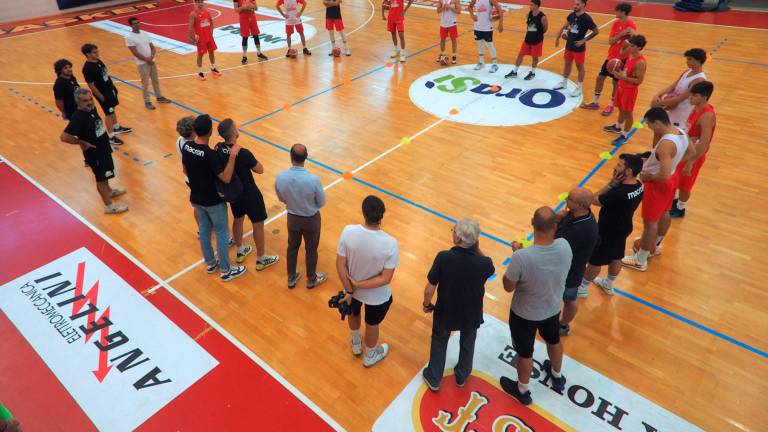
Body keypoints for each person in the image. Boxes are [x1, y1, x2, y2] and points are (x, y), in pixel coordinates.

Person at [500, 207, 572, 405]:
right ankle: (557, 376)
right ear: (555, 225)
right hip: (552, 308)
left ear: (533, 224)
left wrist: (517, 255)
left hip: (524, 314)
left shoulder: (522, 258)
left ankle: (522, 390)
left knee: (525, 352)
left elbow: (508, 287)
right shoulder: (565, 245)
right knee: (554, 340)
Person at [421, 218, 494, 391]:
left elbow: (430, 287)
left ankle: (434, 377)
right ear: (476, 241)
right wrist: (475, 246)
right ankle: (462, 376)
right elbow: (490, 269)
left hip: (446, 312)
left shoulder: (443, 257)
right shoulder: (484, 263)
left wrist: (426, 304)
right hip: (471, 313)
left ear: (457, 239)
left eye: (453, 230)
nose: (452, 232)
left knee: (439, 341)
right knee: (468, 343)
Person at [622, 108, 694, 272]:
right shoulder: (680, 131)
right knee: (664, 212)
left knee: (650, 221)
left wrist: (648, 178)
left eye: (650, 125)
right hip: (672, 180)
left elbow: (664, 175)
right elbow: (692, 151)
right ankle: (654, 245)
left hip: (659, 184)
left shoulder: (665, 144)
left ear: (657, 122)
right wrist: (674, 163)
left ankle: (641, 259)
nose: (650, 129)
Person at [181, 114, 246, 281]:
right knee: (221, 232)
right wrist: (232, 156)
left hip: (196, 198)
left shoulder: (186, 147)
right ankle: (226, 270)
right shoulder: (209, 154)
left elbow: (185, 170)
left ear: (195, 130)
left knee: (204, 229)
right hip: (213, 201)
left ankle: (210, 263)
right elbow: (225, 177)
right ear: (210, 132)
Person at [336, 195, 399, 368]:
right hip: (377, 297)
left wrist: (351, 290)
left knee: (353, 313)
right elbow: (385, 278)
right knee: (372, 324)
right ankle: (370, 354)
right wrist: (359, 285)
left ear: (363, 212)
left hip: (352, 292)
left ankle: (356, 342)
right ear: (382, 216)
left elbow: (340, 265)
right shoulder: (390, 243)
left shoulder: (348, 231)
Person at [216, 119, 279, 270]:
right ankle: (261, 258)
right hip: (250, 194)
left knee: (238, 219)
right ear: (233, 133)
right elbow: (260, 169)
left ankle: (240, 249)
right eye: (235, 127)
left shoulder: (218, 147)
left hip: (234, 194)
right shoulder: (243, 153)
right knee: (257, 224)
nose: (238, 128)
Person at [582, 154, 643, 295]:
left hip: (608, 230)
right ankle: (608, 284)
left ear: (628, 171)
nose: (616, 167)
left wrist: (610, 184)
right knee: (617, 256)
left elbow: (592, 199)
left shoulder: (618, 193)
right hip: (624, 227)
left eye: (620, 165)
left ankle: (582, 287)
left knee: (596, 260)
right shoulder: (639, 186)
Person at [60, 88, 128, 214]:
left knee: (106, 173)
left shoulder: (91, 109)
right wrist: (80, 142)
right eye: (85, 101)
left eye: (91, 99)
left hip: (103, 148)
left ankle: (109, 191)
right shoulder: (77, 118)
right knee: (101, 179)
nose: (90, 102)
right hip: (95, 153)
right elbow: (64, 137)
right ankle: (109, 206)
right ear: (78, 102)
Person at [274, 144, 327, 288]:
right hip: (311, 219)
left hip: (292, 218)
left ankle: (291, 278)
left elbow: (281, 198)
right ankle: (311, 279)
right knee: (311, 249)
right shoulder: (313, 180)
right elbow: (322, 202)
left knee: (292, 247)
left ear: (291, 157)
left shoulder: (280, 177)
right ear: (306, 157)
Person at [555, 188, 598, 336]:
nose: (566, 199)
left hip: (570, 271)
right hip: (567, 267)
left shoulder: (581, 229)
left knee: (569, 299)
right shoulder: (580, 214)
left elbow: (557, 247)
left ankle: (563, 325)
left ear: (580, 205)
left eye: (569, 199)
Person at [580, 2, 636, 114]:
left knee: (616, 83)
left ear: (623, 12)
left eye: (617, 11)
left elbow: (636, 43)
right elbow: (611, 41)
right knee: (600, 78)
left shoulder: (631, 25)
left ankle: (611, 105)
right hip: (610, 57)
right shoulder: (616, 23)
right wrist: (621, 34)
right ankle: (595, 102)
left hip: (622, 59)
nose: (615, 12)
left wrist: (633, 35)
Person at [671, 81, 716, 218]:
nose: (690, 98)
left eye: (694, 96)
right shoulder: (695, 107)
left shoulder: (707, 116)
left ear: (704, 97)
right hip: (686, 151)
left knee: (686, 184)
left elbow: (704, 143)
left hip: (695, 155)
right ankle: (675, 201)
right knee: (677, 177)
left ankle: (681, 208)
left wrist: (691, 162)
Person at [81, 43, 131, 145]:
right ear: (88, 54)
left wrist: (112, 87)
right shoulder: (87, 68)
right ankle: (111, 136)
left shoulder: (98, 61)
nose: (97, 53)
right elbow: (91, 85)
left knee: (112, 109)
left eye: (97, 51)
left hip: (109, 90)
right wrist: (100, 96)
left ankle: (116, 127)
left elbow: (106, 75)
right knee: (108, 113)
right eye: (94, 52)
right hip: (102, 93)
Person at [602, 34, 647, 145]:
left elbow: (638, 81)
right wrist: (619, 73)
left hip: (630, 90)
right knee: (621, 109)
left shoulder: (640, 62)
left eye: (632, 46)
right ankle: (617, 127)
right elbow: (626, 67)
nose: (629, 48)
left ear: (639, 48)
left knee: (628, 113)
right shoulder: (630, 55)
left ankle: (625, 135)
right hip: (622, 86)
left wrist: (622, 77)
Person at [651, 48, 707, 130]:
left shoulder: (699, 80)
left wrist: (660, 103)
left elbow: (681, 98)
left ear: (698, 61)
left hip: (682, 114)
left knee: (675, 137)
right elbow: (672, 87)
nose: (687, 61)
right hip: (672, 109)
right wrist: (657, 95)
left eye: (689, 59)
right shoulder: (686, 72)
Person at [553, 0, 598, 97]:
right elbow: (565, 26)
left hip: (579, 48)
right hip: (569, 46)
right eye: (574, 4)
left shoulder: (586, 18)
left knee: (580, 67)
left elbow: (596, 31)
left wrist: (583, 40)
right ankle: (564, 83)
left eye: (577, 4)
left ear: (583, 5)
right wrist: (559, 37)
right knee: (567, 64)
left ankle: (579, 88)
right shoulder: (572, 15)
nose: (575, 6)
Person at [125, 17, 171, 110]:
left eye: (138, 22)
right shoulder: (129, 37)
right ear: (131, 25)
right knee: (145, 84)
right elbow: (135, 53)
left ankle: (159, 97)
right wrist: (147, 59)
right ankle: (147, 102)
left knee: (155, 81)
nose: (137, 24)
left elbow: (153, 48)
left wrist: (152, 57)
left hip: (152, 61)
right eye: (135, 23)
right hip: (142, 64)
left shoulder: (145, 34)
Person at [505, 0, 547, 80]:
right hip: (527, 39)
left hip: (537, 40)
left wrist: (537, 33)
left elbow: (545, 29)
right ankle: (514, 72)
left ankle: (532, 73)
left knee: (535, 57)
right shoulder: (528, 14)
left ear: (536, 6)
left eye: (531, 5)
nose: (530, 6)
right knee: (520, 54)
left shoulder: (543, 17)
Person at [188, 0, 222, 81]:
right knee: (200, 54)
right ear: (195, 3)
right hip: (201, 38)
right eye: (198, 2)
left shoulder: (207, 12)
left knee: (211, 52)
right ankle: (200, 72)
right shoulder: (193, 14)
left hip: (209, 36)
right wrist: (192, 38)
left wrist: (211, 33)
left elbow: (211, 22)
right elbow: (190, 27)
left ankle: (213, 68)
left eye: (201, 2)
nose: (200, 3)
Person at [469, 0, 503, 72]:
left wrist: (500, 24)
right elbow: (470, 7)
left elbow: (500, 10)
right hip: (477, 26)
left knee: (490, 45)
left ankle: (495, 64)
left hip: (487, 27)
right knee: (480, 45)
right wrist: (472, 15)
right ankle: (481, 62)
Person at [436, 0, 460, 64]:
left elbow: (459, 11)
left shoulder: (456, 0)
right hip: (443, 23)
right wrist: (443, 8)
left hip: (452, 23)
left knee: (453, 39)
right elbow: (438, 11)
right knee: (442, 39)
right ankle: (442, 54)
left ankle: (454, 55)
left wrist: (450, 7)